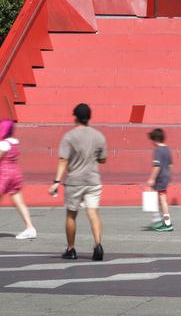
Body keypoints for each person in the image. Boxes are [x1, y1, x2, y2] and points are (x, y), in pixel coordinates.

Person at [49, 103, 107, 261]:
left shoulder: (69, 137)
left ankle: (71, 249)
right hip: (93, 180)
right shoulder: (99, 136)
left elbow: (63, 160)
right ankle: (98, 245)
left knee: (71, 215)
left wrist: (56, 181)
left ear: (75, 117)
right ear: (89, 117)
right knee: (93, 213)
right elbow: (103, 159)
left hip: (74, 181)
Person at [146, 128, 173, 232]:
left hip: (160, 177)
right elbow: (171, 165)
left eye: (152, 140)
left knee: (162, 200)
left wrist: (152, 179)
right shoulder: (167, 149)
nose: (152, 142)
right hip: (165, 176)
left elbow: (156, 166)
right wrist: (169, 176)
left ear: (156, 139)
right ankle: (163, 221)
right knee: (162, 200)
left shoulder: (157, 150)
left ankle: (167, 223)